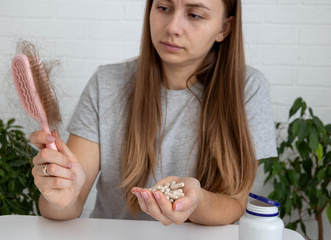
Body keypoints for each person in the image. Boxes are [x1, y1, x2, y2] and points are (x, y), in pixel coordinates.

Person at [30, 0, 277, 226]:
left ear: (224, 28)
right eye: (164, 8)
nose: (173, 27)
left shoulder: (247, 89)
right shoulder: (106, 84)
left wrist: (196, 200)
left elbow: (234, 204)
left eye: (194, 15)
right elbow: (66, 205)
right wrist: (59, 195)